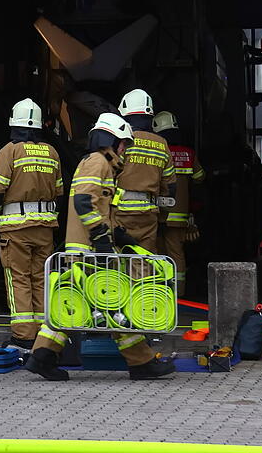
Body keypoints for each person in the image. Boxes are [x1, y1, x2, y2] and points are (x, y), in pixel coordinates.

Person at [24, 113, 176, 381]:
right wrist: (102, 239)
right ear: (113, 141)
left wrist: (120, 237)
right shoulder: (98, 163)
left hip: (85, 249)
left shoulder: (99, 164)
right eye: (124, 145)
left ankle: (42, 357)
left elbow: (99, 207)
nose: (126, 151)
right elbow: (84, 202)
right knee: (115, 303)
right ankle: (141, 363)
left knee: (75, 306)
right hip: (90, 250)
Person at [0, 99, 63, 350]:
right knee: (41, 279)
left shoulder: (9, 151)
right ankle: (43, 336)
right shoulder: (52, 152)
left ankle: (22, 336)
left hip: (15, 229)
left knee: (18, 279)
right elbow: (60, 194)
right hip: (45, 228)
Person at [115, 89, 176, 253]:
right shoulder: (162, 143)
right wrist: (162, 218)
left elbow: (105, 176)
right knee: (144, 264)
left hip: (119, 215)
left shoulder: (121, 141)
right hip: (149, 216)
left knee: (116, 265)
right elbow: (170, 187)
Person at [152, 111, 205, 296]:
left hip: (158, 212)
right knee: (176, 253)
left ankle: (158, 292)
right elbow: (200, 178)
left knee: (157, 252)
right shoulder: (189, 154)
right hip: (180, 216)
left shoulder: (158, 151)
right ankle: (179, 294)